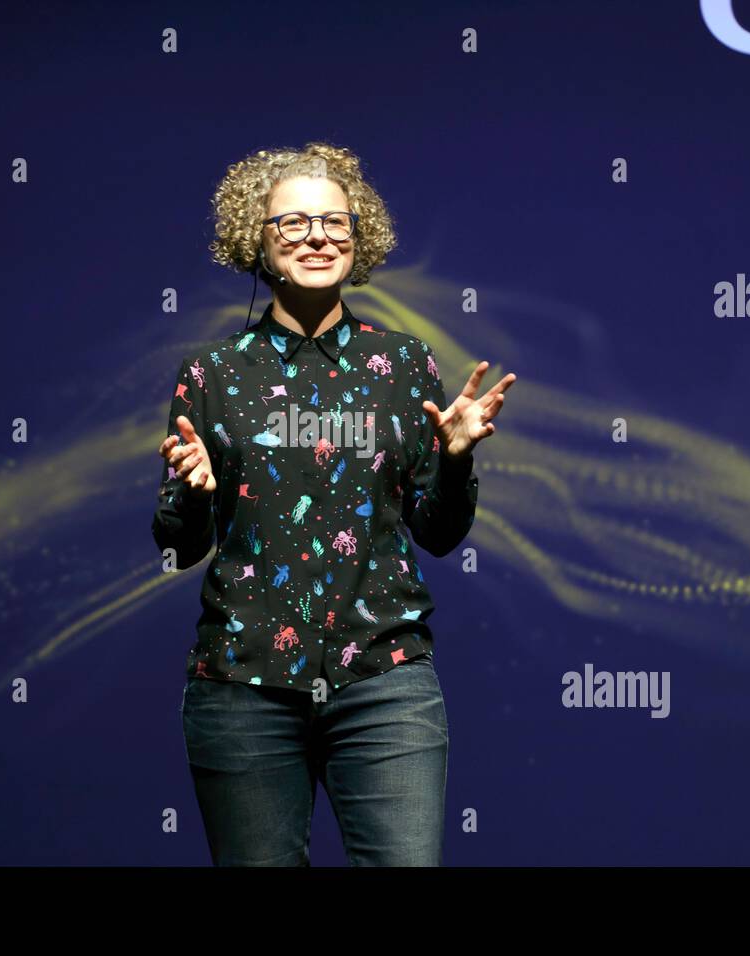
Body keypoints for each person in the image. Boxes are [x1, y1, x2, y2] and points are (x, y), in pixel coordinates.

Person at [152, 142, 516, 866]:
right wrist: (190, 494)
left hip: (385, 682)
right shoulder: (213, 373)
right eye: (292, 223)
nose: (317, 237)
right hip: (242, 688)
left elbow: (438, 534)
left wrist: (454, 461)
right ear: (255, 239)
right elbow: (178, 544)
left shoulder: (404, 364)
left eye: (334, 222)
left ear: (360, 235)